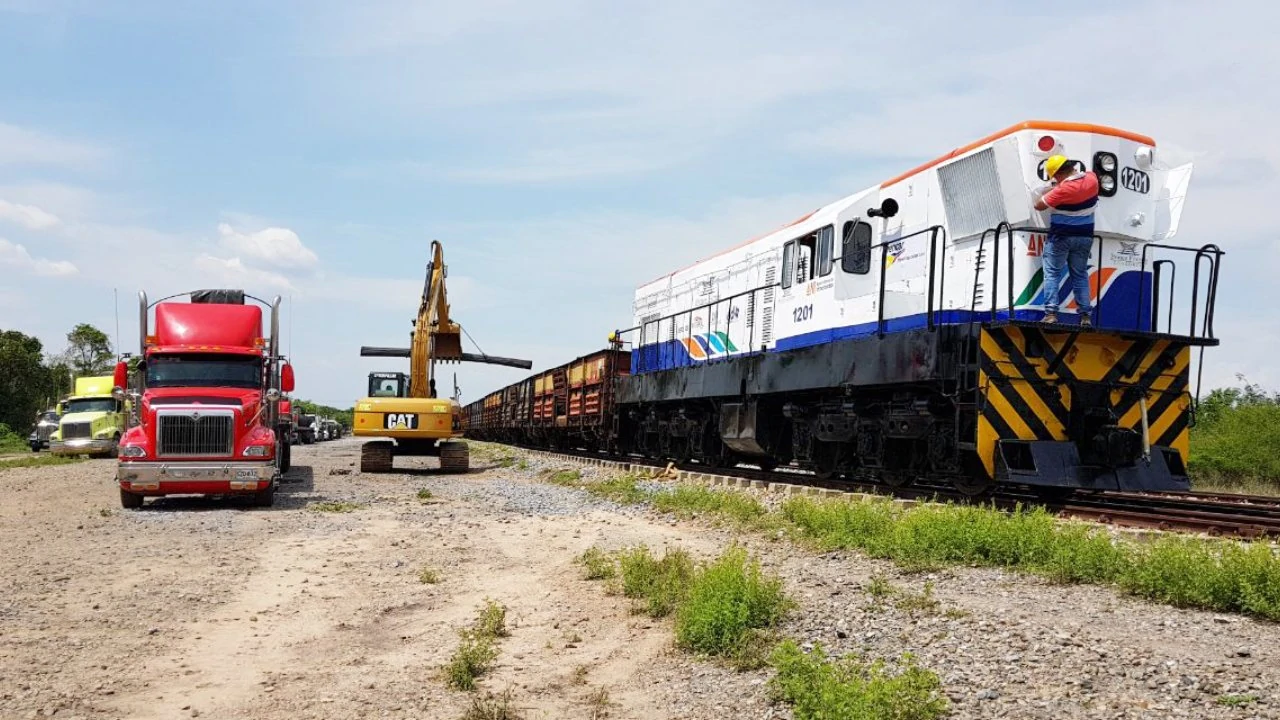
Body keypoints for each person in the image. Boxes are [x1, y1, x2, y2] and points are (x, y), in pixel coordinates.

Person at [1033, 155, 1099, 326]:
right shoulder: (1092, 180)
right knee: (1080, 275)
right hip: (1085, 237)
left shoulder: (1062, 191)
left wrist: (1052, 188)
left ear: (1058, 175)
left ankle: (1051, 314)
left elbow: (1039, 205)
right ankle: (1085, 316)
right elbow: (1084, 177)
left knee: (1052, 274)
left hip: (1060, 237)